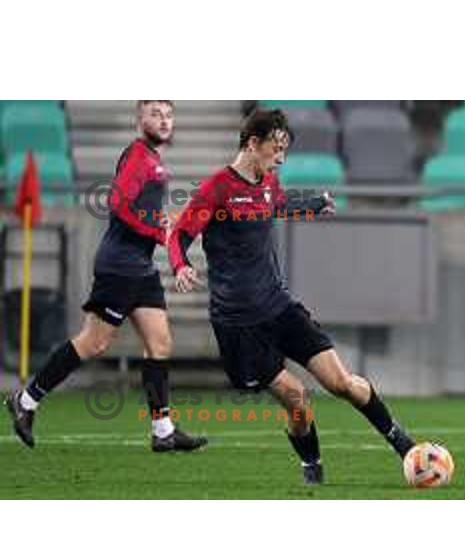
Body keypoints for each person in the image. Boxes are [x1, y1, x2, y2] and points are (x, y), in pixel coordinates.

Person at [167, 108, 415, 484]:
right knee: (298, 399)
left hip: (279, 307)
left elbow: (276, 205)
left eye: (285, 149)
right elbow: (179, 235)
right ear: (253, 144)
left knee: (341, 383)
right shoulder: (217, 188)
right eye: (276, 147)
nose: (281, 157)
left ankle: (405, 446)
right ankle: (312, 466)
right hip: (238, 323)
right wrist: (181, 265)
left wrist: (313, 203)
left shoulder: (269, 182)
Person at [5, 100, 206, 453]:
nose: (163, 120)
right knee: (94, 343)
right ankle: (26, 400)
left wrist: (161, 228)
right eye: (155, 113)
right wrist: (159, 231)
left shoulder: (155, 161)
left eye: (168, 114)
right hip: (119, 266)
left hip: (140, 268)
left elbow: (141, 210)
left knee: (160, 343)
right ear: (139, 118)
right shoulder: (138, 156)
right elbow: (119, 206)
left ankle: (163, 431)